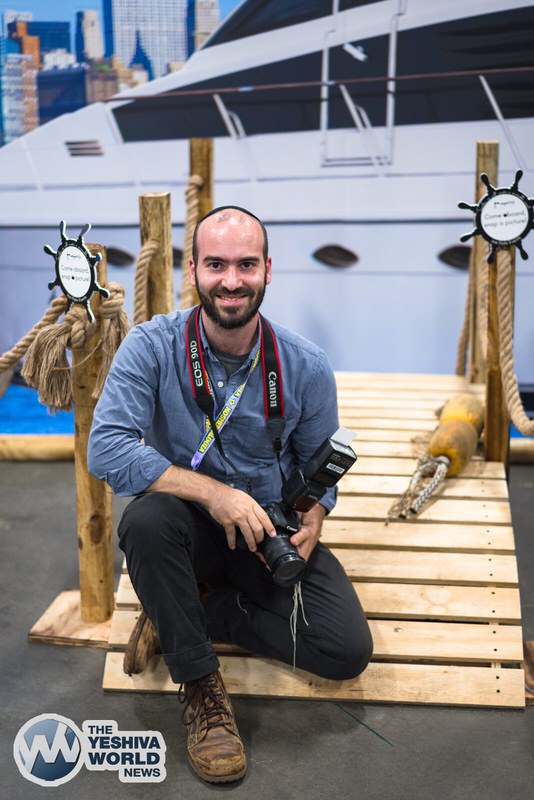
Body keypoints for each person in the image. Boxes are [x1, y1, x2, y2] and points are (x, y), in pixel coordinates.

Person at [87, 206, 373, 784]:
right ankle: (200, 687)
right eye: (216, 264)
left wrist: (315, 513)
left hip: (267, 532)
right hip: (185, 530)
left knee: (345, 650)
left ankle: (183, 615)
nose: (232, 281)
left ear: (268, 269)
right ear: (193, 270)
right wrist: (213, 494)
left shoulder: (306, 365)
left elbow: (319, 470)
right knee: (146, 520)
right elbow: (107, 449)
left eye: (246, 265)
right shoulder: (151, 347)